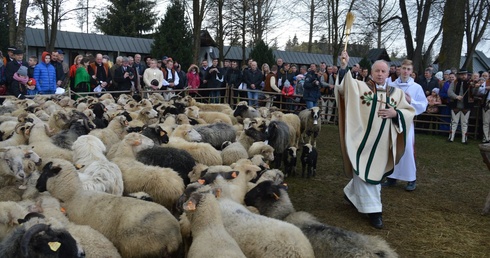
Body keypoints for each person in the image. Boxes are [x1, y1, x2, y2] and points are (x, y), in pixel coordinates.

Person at [336, 50, 415, 229]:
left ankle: (350, 193)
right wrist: (343, 66)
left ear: (388, 74)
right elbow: (343, 88)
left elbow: (409, 112)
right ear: (371, 73)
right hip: (362, 141)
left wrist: (396, 113)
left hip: (382, 145)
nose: (380, 74)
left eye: (383, 71)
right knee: (364, 172)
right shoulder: (360, 88)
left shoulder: (397, 94)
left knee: (373, 173)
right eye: (377, 71)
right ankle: (374, 211)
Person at [383, 59, 428, 191]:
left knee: (407, 149)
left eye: (408, 69)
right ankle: (391, 177)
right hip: (392, 120)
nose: (405, 71)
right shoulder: (391, 85)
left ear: (412, 71)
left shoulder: (416, 87)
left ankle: (411, 179)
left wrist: (411, 100)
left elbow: (423, 105)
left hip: (406, 122)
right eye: (403, 68)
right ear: (399, 69)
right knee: (392, 148)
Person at [447, 69, 477, 143]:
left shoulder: (470, 83)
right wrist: (456, 96)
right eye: (461, 74)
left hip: (466, 106)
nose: (463, 76)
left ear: (467, 75)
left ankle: (464, 139)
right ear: (459, 75)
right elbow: (449, 92)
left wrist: (475, 87)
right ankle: (451, 138)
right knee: (454, 122)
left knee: (464, 123)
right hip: (455, 105)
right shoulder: (454, 83)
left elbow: (474, 93)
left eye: (464, 74)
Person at [477, 72, 490, 143]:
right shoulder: (487, 82)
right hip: (487, 103)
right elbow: (480, 91)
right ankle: (486, 138)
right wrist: (486, 88)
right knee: (486, 121)